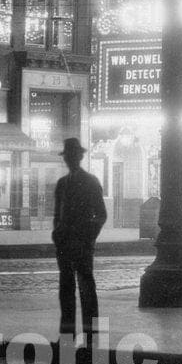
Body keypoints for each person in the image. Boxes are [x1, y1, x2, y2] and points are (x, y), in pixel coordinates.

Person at [53, 137, 107, 345]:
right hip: (65, 243)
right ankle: (67, 334)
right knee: (66, 290)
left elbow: (101, 214)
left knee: (86, 290)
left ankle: (91, 336)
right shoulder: (62, 184)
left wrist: (88, 237)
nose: (69, 160)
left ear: (80, 157)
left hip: (82, 243)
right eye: (67, 156)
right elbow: (57, 215)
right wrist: (57, 233)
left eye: (73, 156)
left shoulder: (91, 181)